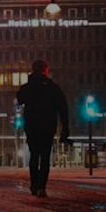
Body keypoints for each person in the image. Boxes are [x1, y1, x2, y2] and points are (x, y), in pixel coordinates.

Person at [16, 59, 70, 198]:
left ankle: (34, 185)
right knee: (45, 157)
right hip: (48, 126)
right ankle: (42, 187)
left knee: (34, 155)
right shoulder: (53, 88)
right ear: (46, 70)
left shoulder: (27, 88)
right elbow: (63, 108)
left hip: (32, 126)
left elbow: (19, 99)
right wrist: (65, 128)